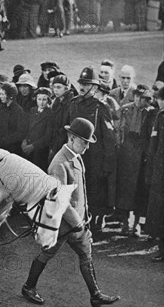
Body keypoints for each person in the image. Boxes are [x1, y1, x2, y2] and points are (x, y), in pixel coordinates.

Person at [21, 117, 120, 307]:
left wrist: (85, 216)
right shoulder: (59, 163)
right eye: (84, 142)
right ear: (72, 137)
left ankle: (95, 295)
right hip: (65, 223)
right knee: (47, 253)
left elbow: (80, 192)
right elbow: (60, 199)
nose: (87, 147)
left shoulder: (75, 157)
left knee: (86, 254)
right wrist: (77, 221)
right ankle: (28, 287)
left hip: (78, 221)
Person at [69, 67, 117, 235]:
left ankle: (93, 225)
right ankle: (78, 224)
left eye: (87, 84)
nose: (82, 86)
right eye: (81, 83)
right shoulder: (73, 103)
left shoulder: (100, 108)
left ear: (95, 87)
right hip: (76, 157)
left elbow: (109, 139)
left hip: (95, 159)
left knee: (94, 193)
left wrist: (107, 164)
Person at [115, 85, 156, 236]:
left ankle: (137, 223)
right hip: (126, 154)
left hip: (142, 155)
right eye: (137, 96)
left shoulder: (151, 113)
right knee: (125, 190)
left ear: (147, 100)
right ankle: (125, 222)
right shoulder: (125, 109)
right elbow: (117, 130)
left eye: (143, 97)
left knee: (139, 190)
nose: (139, 100)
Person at [145, 86, 164, 261]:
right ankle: (161, 248)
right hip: (159, 171)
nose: (160, 102)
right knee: (158, 210)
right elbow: (153, 144)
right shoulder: (160, 116)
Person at [21, 87, 53, 171]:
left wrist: (32, 146)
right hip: (28, 147)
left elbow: (48, 137)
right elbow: (27, 128)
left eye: (44, 99)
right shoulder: (33, 111)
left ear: (48, 100)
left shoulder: (50, 114)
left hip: (40, 151)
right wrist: (24, 140)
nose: (41, 102)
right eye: (39, 99)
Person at [0, 82, 26, 154]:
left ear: (11, 96)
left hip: (12, 149)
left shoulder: (19, 111)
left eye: (2, 94)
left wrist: (5, 140)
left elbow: (21, 132)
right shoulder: (1, 108)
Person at [49, 74, 75, 161]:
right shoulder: (56, 101)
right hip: (54, 141)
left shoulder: (71, 103)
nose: (55, 90)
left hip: (64, 143)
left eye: (59, 87)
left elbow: (67, 128)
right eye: (54, 87)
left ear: (66, 88)